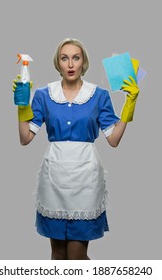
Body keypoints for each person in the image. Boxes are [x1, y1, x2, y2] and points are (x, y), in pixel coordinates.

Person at [13, 38, 140, 260]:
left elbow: (114, 139)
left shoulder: (98, 95)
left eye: (76, 58)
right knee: (58, 255)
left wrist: (130, 103)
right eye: (64, 58)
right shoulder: (44, 94)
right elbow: (25, 138)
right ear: (58, 63)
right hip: (54, 180)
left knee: (77, 256)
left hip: (86, 181)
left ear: (83, 63)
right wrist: (22, 105)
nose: (70, 64)